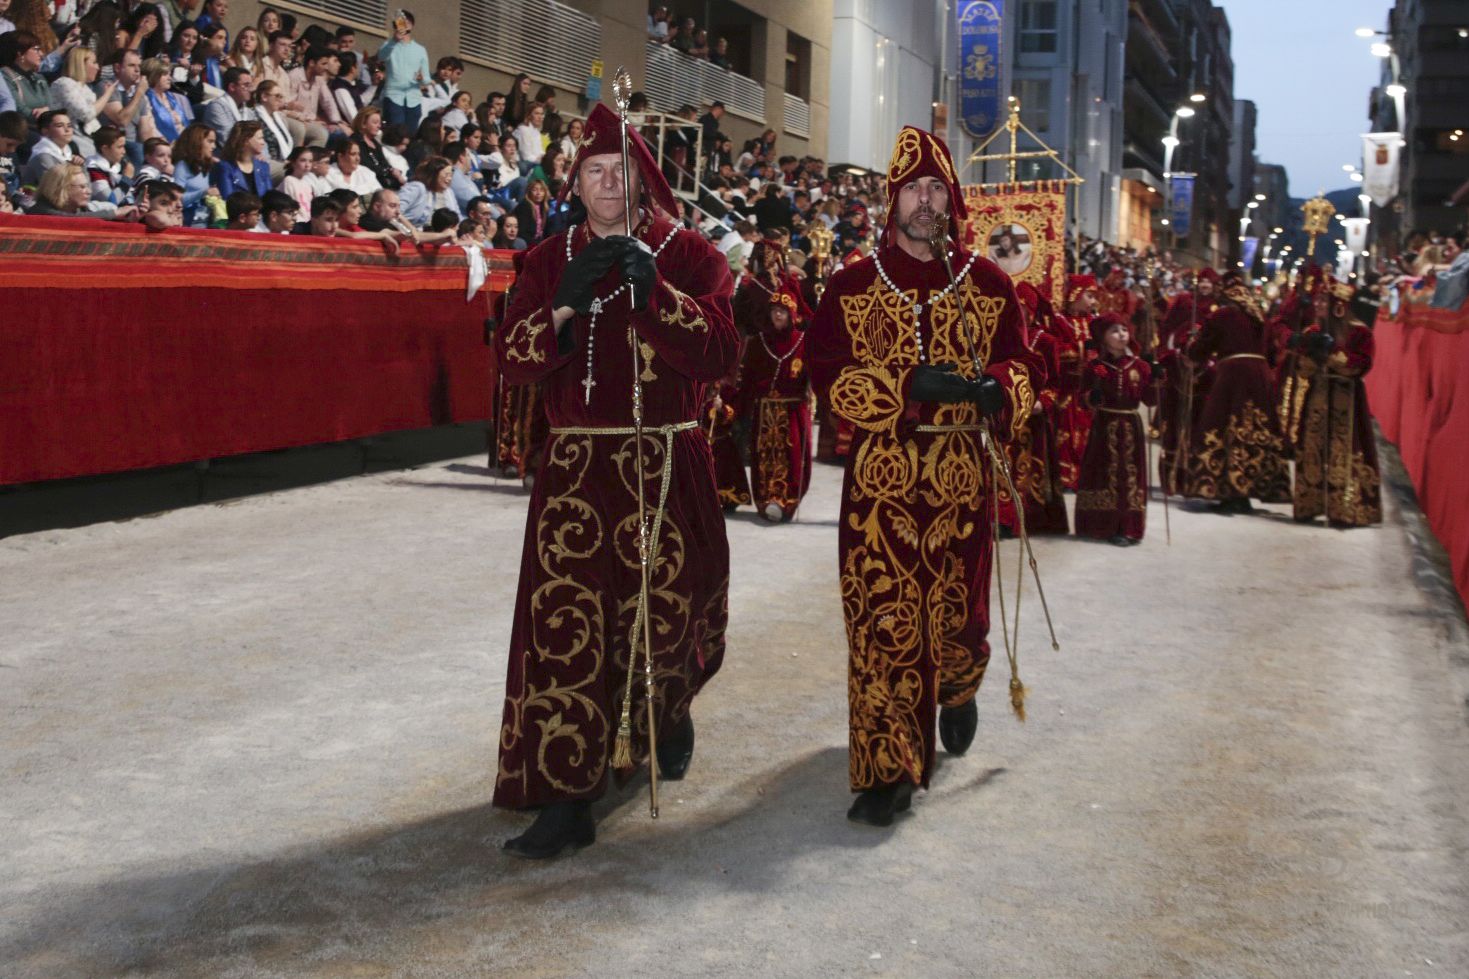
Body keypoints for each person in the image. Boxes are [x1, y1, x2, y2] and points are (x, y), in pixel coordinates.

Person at [491, 102, 738, 859]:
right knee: (565, 629)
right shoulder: (542, 258)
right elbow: (514, 359)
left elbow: (722, 355)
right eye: (592, 171)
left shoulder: (692, 253)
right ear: (576, 180)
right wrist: (565, 298)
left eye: (619, 170)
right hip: (575, 471)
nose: (605, 183)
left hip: (667, 458)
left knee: (666, 616)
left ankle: (668, 713)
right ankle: (567, 798)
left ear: (642, 178)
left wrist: (654, 296)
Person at [806, 125, 1043, 828]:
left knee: (955, 620)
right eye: (913, 187)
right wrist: (906, 385)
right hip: (879, 484)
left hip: (960, 477)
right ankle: (886, 767)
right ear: (892, 198)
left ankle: (959, 685)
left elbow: (1026, 365)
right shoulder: (849, 285)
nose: (925, 199)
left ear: (953, 199)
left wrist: (999, 388)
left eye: (937, 186)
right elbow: (824, 375)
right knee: (881, 620)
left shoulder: (988, 283)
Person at [1182, 271, 1292, 513]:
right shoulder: (1259, 315)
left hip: (1233, 375)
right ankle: (1250, 487)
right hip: (1260, 376)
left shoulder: (1222, 314)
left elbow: (1200, 349)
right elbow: (1273, 353)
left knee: (1224, 427)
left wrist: (1191, 346)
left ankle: (1229, 491)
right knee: (1254, 430)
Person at [1291, 276, 1382, 527]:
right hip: (1318, 395)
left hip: (1347, 398)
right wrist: (1307, 352)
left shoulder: (1359, 331)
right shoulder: (1313, 331)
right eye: (1317, 300)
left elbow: (1360, 365)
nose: (1318, 305)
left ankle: (1346, 506)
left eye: (1323, 300)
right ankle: (1312, 502)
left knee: (1346, 449)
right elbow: (1302, 369)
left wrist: (1332, 354)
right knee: (1313, 448)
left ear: (1337, 304)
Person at [1074, 314, 1155, 545]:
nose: (1121, 335)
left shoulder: (1140, 366)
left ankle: (1128, 527)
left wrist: (1157, 379)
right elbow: (1083, 399)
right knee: (1104, 471)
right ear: (1103, 338)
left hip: (1130, 425)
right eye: (1114, 331)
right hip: (1104, 426)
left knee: (1128, 476)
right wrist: (1092, 397)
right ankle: (1100, 523)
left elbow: (1150, 400)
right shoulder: (1096, 367)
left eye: (1124, 330)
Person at [741, 288, 813, 521]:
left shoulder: (803, 342)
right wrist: (739, 409)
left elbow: (814, 374)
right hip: (764, 410)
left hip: (792, 409)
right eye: (774, 311)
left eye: (782, 311)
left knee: (790, 456)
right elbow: (747, 380)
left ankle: (786, 500)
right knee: (764, 457)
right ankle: (768, 500)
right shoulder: (758, 342)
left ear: (791, 314)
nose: (777, 316)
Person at [1054, 274, 1097, 489]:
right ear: (1075, 295)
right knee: (1065, 431)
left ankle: (1081, 476)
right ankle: (1063, 476)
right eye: (1089, 296)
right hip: (1065, 389)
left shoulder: (1092, 323)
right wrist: (1078, 352)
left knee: (1085, 431)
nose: (1093, 302)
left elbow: (1098, 354)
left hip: (1085, 391)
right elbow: (1055, 350)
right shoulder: (1059, 321)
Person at [376, 10, 430, 132]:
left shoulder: (420, 50)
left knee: (410, 136)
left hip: (414, 98)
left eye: (406, 23)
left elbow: (427, 79)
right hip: (393, 96)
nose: (403, 26)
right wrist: (394, 40)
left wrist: (422, 78)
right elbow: (381, 57)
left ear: (411, 25)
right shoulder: (389, 45)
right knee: (395, 133)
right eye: (400, 23)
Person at [170, 121, 218, 226]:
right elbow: (176, 199)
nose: (214, 146)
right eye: (210, 142)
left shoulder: (204, 167)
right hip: (187, 222)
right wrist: (203, 192)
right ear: (197, 142)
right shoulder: (182, 166)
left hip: (203, 221)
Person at [211, 119, 272, 198]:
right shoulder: (226, 167)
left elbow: (270, 198)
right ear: (246, 141)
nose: (263, 142)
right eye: (260, 138)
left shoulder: (263, 166)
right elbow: (228, 199)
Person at [397, 154, 459, 227]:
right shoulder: (417, 187)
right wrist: (412, 230)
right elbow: (395, 212)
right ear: (434, 174)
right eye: (446, 175)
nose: (449, 179)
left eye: (451, 175)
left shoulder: (432, 193)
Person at [142, 57, 194, 143]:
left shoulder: (174, 98)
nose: (170, 78)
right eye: (165, 74)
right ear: (154, 75)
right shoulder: (146, 99)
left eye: (169, 74)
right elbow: (151, 131)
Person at [201, 65, 255, 145]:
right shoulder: (216, 107)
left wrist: (262, 154)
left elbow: (259, 138)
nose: (250, 90)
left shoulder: (249, 112)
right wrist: (254, 147)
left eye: (250, 86)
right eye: (246, 85)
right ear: (232, 87)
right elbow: (228, 138)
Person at [251, 79, 293, 180]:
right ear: (264, 97)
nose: (280, 101)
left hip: (282, 160)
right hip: (266, 161)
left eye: (281, 97)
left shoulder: (278, 117)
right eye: (277, 96)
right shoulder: (254, 117)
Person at [511, 176, 551, 245]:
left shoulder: (545, 207)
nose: (538, 193)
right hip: (526, 242)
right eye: (535, 190)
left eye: (541, 190)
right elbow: (522, 233)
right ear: (529, 192)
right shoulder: (524, 206)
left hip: (539, 242)